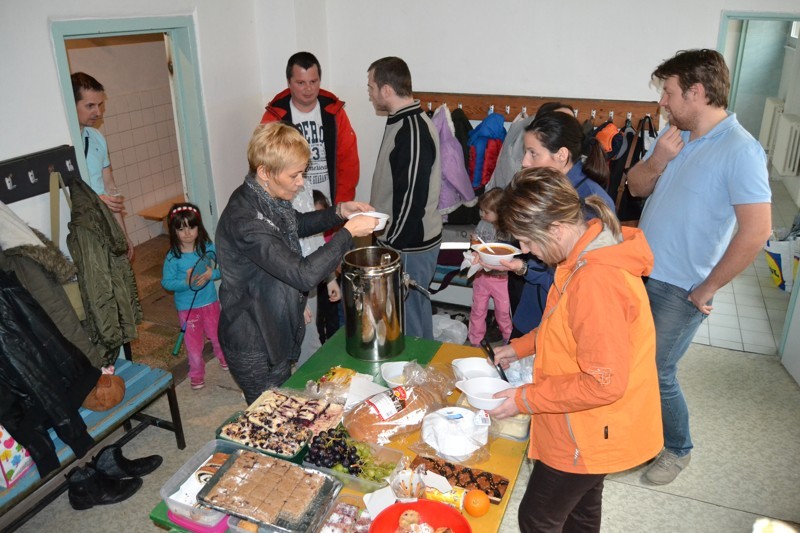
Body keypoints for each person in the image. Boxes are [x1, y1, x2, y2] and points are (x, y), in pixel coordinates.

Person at [487, 167, 663, 532]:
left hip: (588, 428)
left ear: (556, 228)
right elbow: (564, 326)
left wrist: (524, 398)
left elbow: (603, 383)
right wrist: (520, 348)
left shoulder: (596, 280)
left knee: (537, 518)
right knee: (581, 510)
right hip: (588, 421)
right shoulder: (583, 254)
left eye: (527, 240)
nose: (525, 250)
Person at [627, 49, 772, 485]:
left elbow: (757, 231)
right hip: (640, 271)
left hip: (681, 288)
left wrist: (707, 288)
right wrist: (658, 160)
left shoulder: (741, 150)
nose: (662, 102)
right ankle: (639, 440)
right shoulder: (674, 135)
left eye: (668, 93)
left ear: (696, 92)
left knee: (657, 371)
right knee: (631, 363)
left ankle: (677, 449)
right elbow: (635, 187)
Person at [215, 122, 376, 405]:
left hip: (274, 322)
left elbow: (296, 224)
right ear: (265, 172)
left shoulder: (266, 196)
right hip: (252, 336)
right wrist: (348, 233)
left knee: (281, 400)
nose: (301, 182)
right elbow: (303, 274)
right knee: (266, 412)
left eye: (302, 173)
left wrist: (340, 212)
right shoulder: (246, 220)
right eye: (294, 175)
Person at [503, 110, 617, 338]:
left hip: (562, 325)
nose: (525, 162)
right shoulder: (547, 189)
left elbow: (572, 281)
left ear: (562, 155)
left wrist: (525, 268)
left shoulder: (590, 202)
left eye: (533, 153)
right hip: (534, 314)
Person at [367, 56, 442, 339]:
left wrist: (391, 246)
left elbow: (412, 200)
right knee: (408, 318)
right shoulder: (400, 122)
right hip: (402, 244)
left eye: (371, 87)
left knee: (410, 326)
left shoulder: (412, 130)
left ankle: (416, 368)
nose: (370, 93)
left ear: (386, 89)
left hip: (409, 246)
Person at [260, 51, 359, 207]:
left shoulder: (334, 112)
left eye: (313, 81)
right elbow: (265, 165)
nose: (309, 89)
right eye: (301, 83)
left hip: (329, 205)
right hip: (289, 206)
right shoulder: (274, 117)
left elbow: (348, 163)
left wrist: (341, 205)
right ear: (289, 82)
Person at [161, 202, 227, 390]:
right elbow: (166, 283)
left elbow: (225, 267)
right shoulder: (172, 257)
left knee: (218, 336)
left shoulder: (208, 247)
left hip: (210, 303)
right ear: (174, 231)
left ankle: (224, 358)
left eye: (191, 227)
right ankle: (196, 374)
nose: (187, 233)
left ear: (199, 227)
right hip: (187, 310)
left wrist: (212, 274)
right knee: (194, 345)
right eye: (181, 229)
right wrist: (186, 282)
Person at [71, 72, 134, 261]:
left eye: (99, 105)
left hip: (104, 224)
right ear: (71, 104)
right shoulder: (61, 144)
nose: (98, 113)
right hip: (80, 231)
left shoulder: (96, 137)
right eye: (90, 105)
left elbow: (110, 188)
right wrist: (97, 201)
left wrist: (123, 235)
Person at [468, 188, 512, 346]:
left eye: (486, 212)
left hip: (502, 279)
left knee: (503, 312)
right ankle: (475, 340)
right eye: (481, 210)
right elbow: (476, 245)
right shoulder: (482, 224)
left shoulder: (507, 230)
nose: (482, 214)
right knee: (478, 310)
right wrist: (474, 243)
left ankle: (509, 338)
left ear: (500, 212)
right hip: (481, 276)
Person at [313, 190, 342, 344]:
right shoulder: (308, 238)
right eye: (313, 216)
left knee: (332, 315)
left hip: (329, 279)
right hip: (314, 284)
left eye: (320, 215)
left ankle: (333, 343)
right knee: (317, 318)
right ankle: (320, 344)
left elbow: (335, 256)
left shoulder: (331, 234)